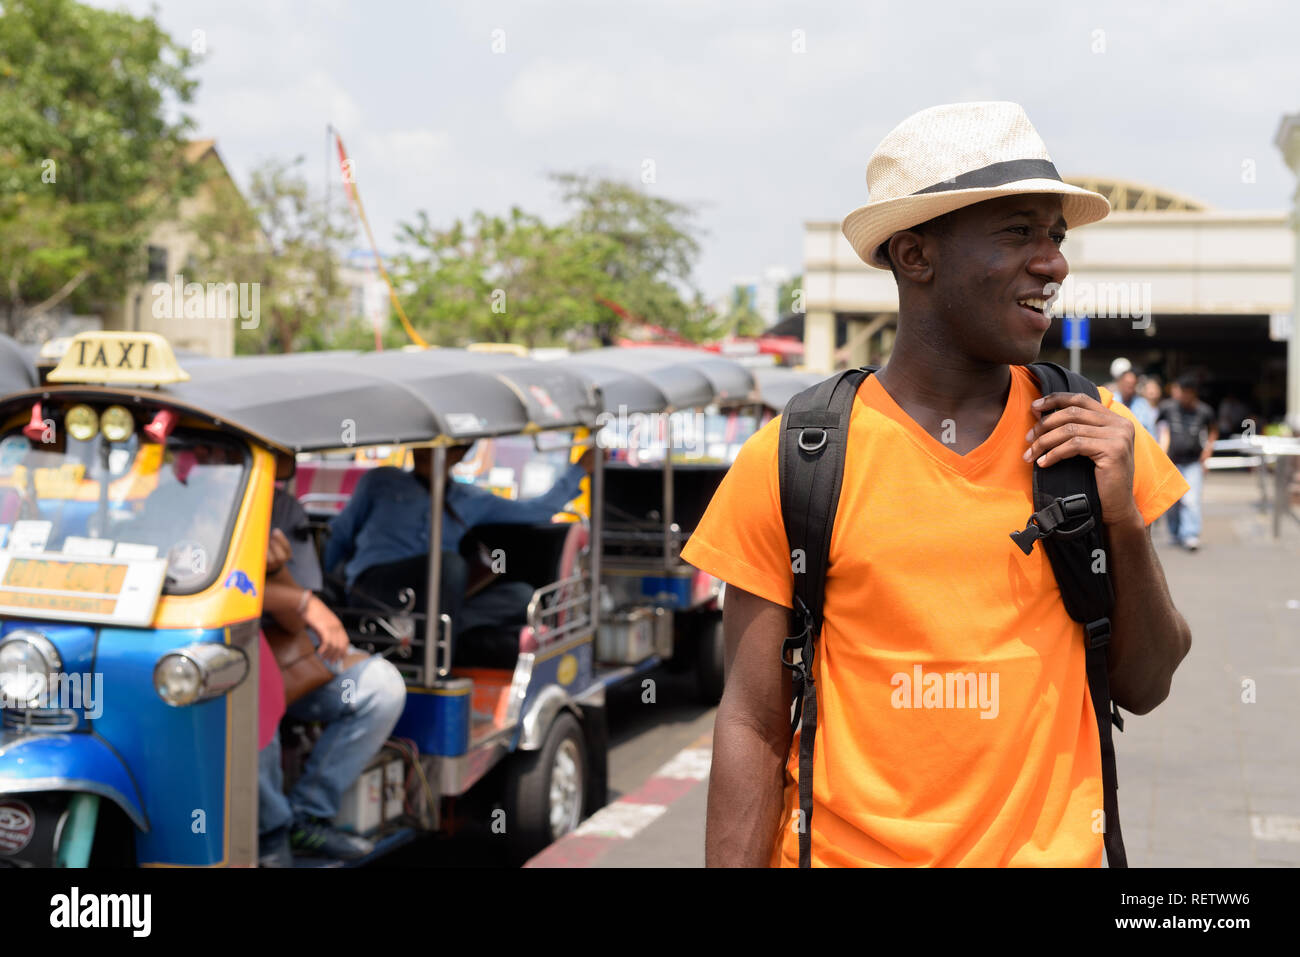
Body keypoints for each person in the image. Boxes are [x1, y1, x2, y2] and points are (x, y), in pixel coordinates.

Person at [683, 102, 1193, 868]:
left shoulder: (1091, 435)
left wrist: (1122, 521)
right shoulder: (796, 458)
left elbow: (1147, 683)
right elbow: (753, 721)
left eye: (1054, 237)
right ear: (915, 256)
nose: (1053, 263)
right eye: (1019, 232)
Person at [258, 486, 407, 866]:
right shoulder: (168, 496)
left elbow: (295, 623)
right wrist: (302, 602)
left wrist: (279, 574)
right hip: (217, 656)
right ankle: (268, 831)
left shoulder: (277, 505)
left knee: (382, 689)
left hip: (284, 659)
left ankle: (307, 815)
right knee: (252, 691)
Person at [324, 444, 595, 637]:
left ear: (458, 454)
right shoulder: (381, 480)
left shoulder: (471, 499)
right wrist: (323, 594)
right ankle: (437, 661)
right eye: (420, 444)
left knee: (522, 596)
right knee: (450, 565)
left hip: (438, 600)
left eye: (434, 447)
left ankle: (431, 629)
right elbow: (340, 534)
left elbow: (535, 511)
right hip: (377, 586)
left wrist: (580, 469)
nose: (421, 452)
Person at [1157, 374, 1218, 551]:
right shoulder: (1168, 408)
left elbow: (1213, 430)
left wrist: (1208, 451)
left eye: (1188, 393)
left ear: (1193, 393)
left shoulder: (1204, 410)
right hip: (1171, 461)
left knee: (1191, 500)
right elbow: (1159, 428)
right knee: (1172, 501)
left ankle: (1190, 534)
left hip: (1193, 462)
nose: (1185, 396)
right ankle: (1175, 532)